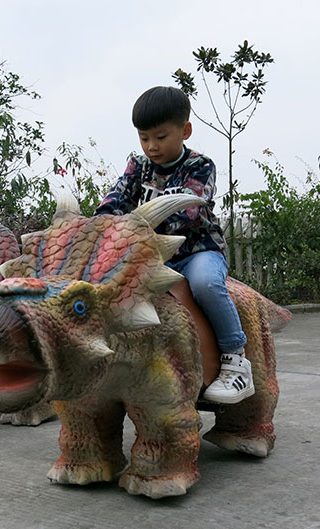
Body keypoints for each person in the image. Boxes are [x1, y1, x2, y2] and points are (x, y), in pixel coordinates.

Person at [94, 86, 253, 404]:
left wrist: (136, 220)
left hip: (196, 251)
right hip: (153, 254)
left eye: (160, 137)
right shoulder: (137, 167)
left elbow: (189, 210)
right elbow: (117, 197)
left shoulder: (200, 166)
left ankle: (236, 360)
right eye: (144, 138)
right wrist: (101, 222)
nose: (151, 146)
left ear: (185, 130)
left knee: (205, 284)